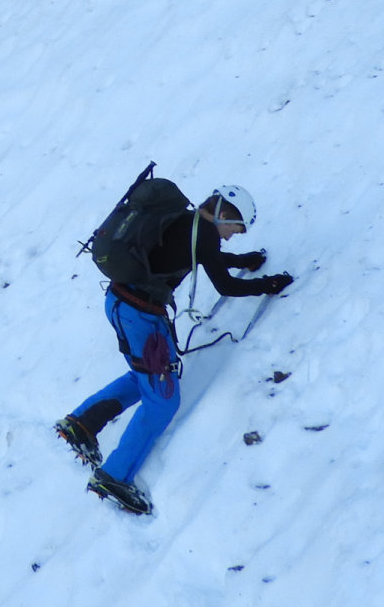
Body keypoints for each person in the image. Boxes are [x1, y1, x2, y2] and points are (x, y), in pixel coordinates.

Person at [57, 184, 294, 514]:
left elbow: (207, 257)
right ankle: (114, 476)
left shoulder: (185, 221)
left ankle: (82, 424)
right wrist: (268, 285)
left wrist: (244, 260)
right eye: (235, 229)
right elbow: (225, 284)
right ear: (225, 214)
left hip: (120, 303)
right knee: (163, 400)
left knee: (145, 376)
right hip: (141, 316)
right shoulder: (205, 234)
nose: (231, 237)